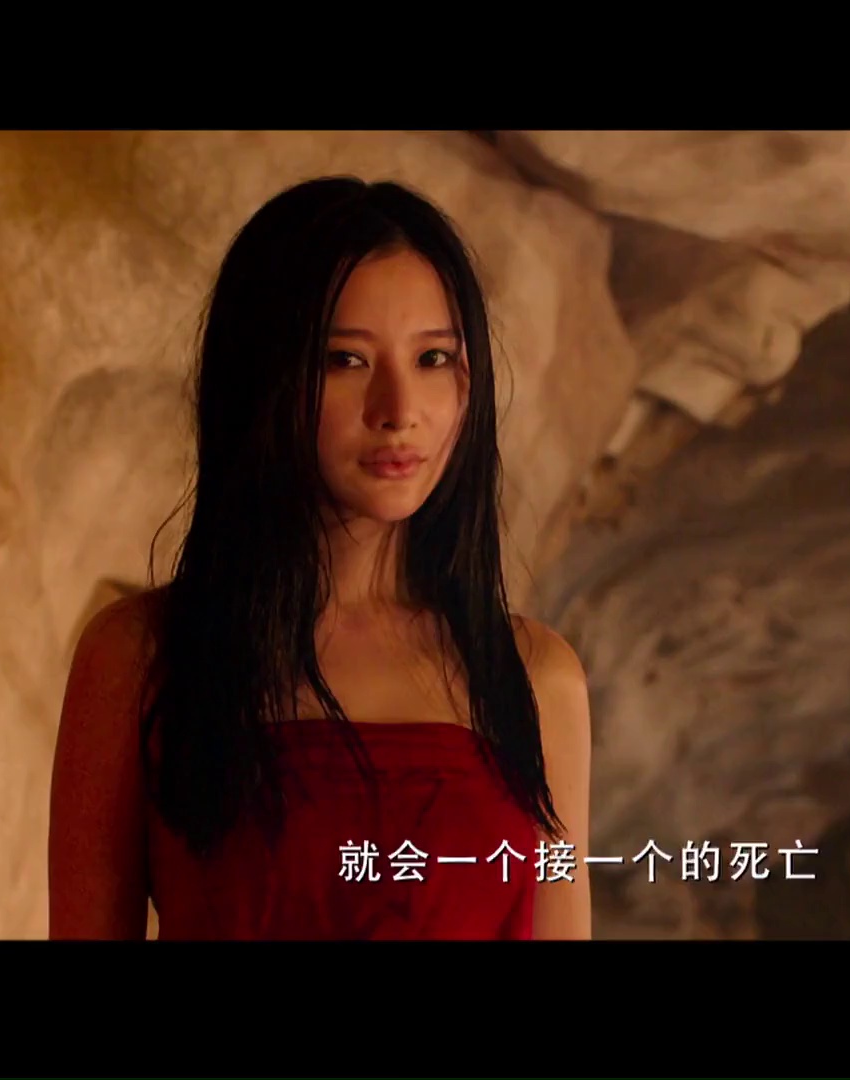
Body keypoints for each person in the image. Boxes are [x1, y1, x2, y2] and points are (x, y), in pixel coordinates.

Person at [47, 176, 593, 940]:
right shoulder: (140, 657)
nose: (398, 410)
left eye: (434, 357)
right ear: (262, 377)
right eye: (345, 360)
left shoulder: (534, 677)